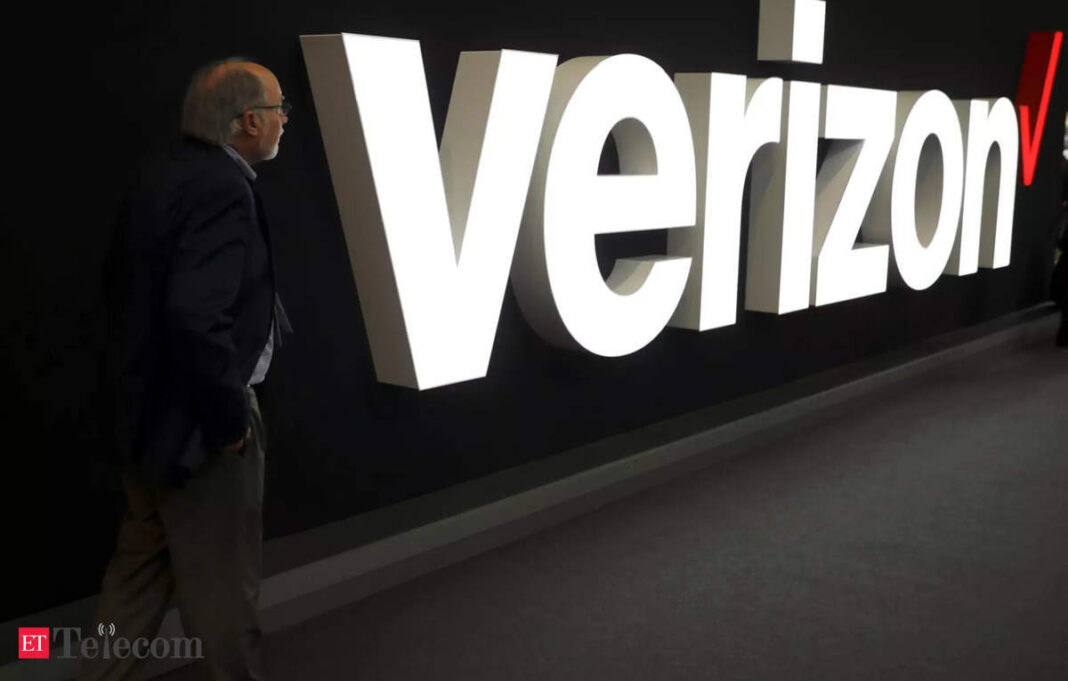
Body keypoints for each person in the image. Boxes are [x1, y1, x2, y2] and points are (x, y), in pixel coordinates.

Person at [79, 58, 291, 681]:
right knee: (226, 602)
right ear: (249, 121)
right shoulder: (224, 187)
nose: (285, 123)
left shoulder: (159, 172)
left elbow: (119, 294)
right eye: (281, 111)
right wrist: (228, 426)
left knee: (135, 583)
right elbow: (198, 318)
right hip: (201, 433)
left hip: (143, 422)